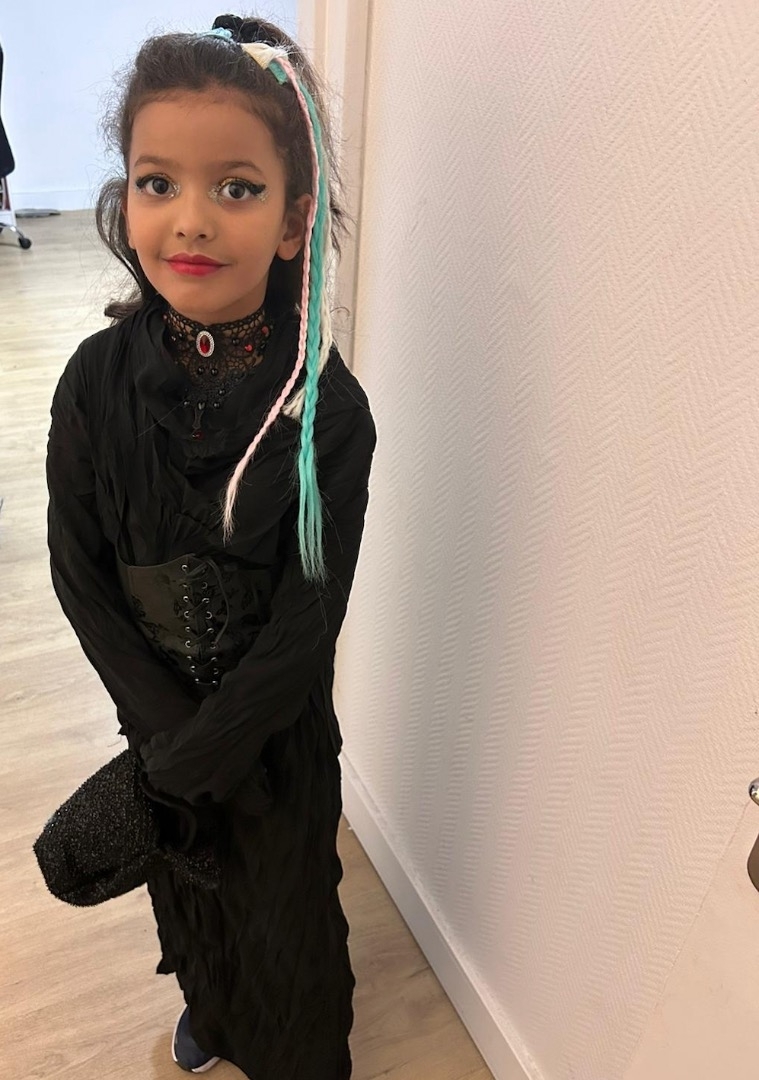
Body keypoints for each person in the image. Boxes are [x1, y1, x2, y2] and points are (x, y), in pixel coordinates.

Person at [45, 14, 376, 1080]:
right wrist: (167, 745)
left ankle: (295, 1053)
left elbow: (308, 620)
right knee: (189, 886)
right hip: (155, 714)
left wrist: (199, 758)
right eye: (158, 182)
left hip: (272, 733)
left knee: (282, 902)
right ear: (126, 198)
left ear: (292, 218)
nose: (190, 218)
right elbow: (79, 574)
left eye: (236, 187)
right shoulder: (93, 384)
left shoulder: (329, 415)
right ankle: (213, 1009)